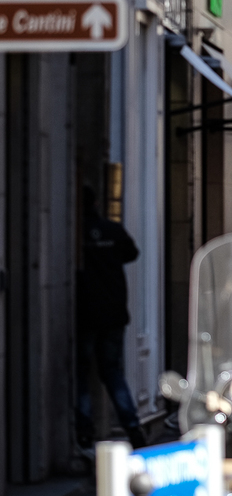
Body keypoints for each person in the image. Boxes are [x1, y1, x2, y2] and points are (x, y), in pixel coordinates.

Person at [77, 188, 145, 449]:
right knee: (112, 371)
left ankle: (84, 429)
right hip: (113, 310)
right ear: (96, 202)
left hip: (85, 311)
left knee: (81, 373)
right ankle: (132, 426)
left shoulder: (76, 232)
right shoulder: (112, 230)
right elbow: (132, 253)